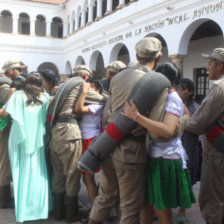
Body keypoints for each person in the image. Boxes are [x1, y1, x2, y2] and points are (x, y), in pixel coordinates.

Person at [88, 37, 167, 224]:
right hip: (132, 149)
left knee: (105, 197)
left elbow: (107, 114)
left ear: (137, 55)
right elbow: (155, 129)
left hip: (109, 142)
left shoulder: (118, 77)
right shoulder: (158, 82)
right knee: (130, 206)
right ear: (159, 57)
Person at [122, 62, 195, 224]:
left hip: (166, 160)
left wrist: (137, 116)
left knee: (162, 213)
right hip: (156, 158)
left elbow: (168, 130)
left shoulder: (172, 98)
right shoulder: (162, 97)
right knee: (146, 206)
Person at [49, 65, 105, 223]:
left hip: (56, 132)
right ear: (86, 77)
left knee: (59, 174)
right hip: (69, 132)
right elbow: (101, 99)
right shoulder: (81, 84)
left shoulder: (64, 85)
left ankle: (59, 212)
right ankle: (71, 214)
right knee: (72, 174)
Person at [0, 73, 51, 223]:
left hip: (18, 140)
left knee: (20, 174)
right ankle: (38, 210)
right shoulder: (46, 97)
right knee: (37, 172)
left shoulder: (17, 96)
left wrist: (9, 97)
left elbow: (3, 114)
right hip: (37, 140)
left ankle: (23, 211)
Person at [186, 48, 224, 224]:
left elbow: (196, 123)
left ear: (220, 66)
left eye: (210, 63)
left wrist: (182, 119)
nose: (207, 67)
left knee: (211, 201)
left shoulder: (218, 89)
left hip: (217, 154)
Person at [75, 80, 105, 207]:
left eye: (90, 88)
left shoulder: (98, 104)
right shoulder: (91, 102)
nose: (87, 90)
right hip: (85, 138)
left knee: (88, 178)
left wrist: (83, 92)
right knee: (86, 178)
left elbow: (79, 108)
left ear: (97, 90)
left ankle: (95, 210)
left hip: (90, 139)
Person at [177, 78, 202, 223]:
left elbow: (200, 129)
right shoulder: (175, 104)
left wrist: (181, 123)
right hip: (173, 147)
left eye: (185, 88)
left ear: (191, 91)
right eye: (180, 87)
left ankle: (182, 210)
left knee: (186, 180)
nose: (181, 90)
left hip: (189, 147)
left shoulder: (195, 107)